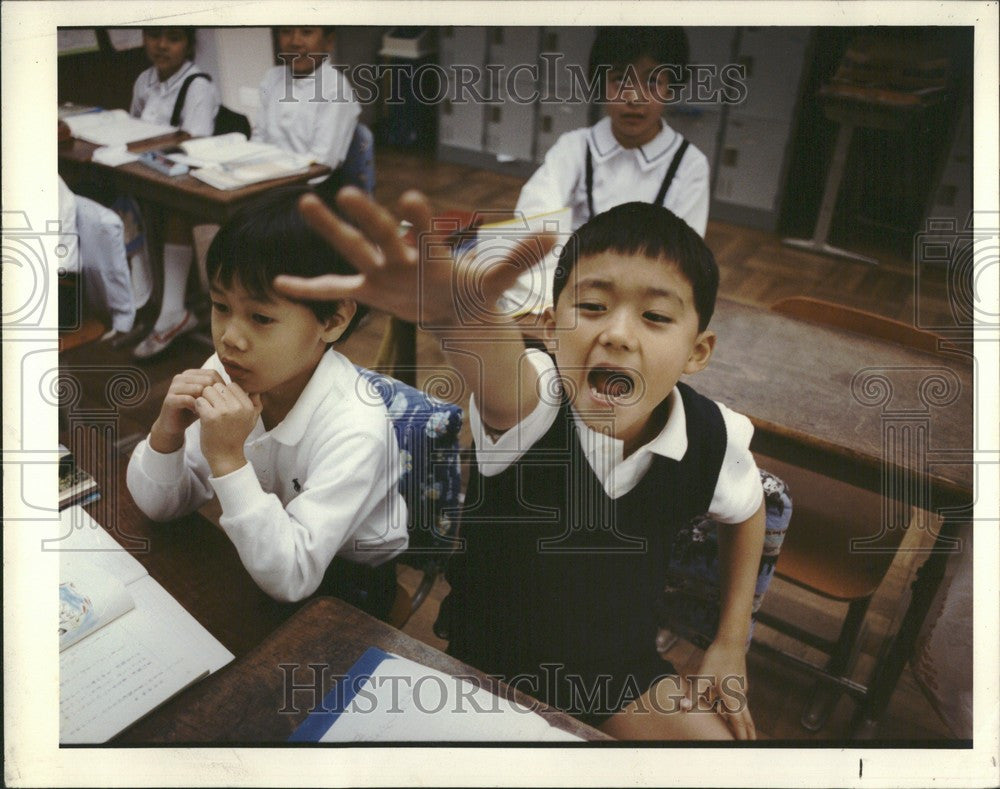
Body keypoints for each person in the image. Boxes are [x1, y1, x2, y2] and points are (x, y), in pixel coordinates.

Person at [275, 188, 767, 740]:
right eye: (591, 306)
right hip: (487, 669)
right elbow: (493, 354)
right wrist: (457, 317)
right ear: (552, 329)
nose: (618, 334)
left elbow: (749, 512)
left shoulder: (713, 437)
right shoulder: (534, 403)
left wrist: (730, 641)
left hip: (616, 672)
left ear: (697, 352)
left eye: (655, 316)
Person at [126, 187, 407, 617]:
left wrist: (226, 459)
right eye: (220, 306)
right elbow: (158, 506)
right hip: (268, 547)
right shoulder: (228, 371)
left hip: (350, 579)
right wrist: (167, 433)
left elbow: (293, 576)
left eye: (260, 317)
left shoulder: (356, 425)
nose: (229, 338)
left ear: (333, 320)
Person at [505, 27, 710, 314]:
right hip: (572, 286)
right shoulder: (575, 147)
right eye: (619, 80)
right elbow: (536, 216)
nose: (634, 97)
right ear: (601, 83)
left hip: (643, 297)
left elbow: (683, 258)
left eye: (653, 82)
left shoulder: (689, 165)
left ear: (671, 87)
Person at [130, 27, 220, 359]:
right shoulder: (144, 80)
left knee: (172, 209)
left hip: (187, 179)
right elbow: (134, 125)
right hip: (148, 171)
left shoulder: (197, 85)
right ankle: (145, 301)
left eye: (173, 38)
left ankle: (171, 310)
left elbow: (193, 145)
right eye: (155, 36)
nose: (162, 45)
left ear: (189, 45)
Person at [253, 27, 360, 189]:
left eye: (307, 32)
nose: (295, 42)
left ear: (328, 42)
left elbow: (320, 165)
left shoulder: (334, 88)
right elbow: (258, 139)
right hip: (267, 181)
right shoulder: (272, 78)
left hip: (310, 191)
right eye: (286, 32)